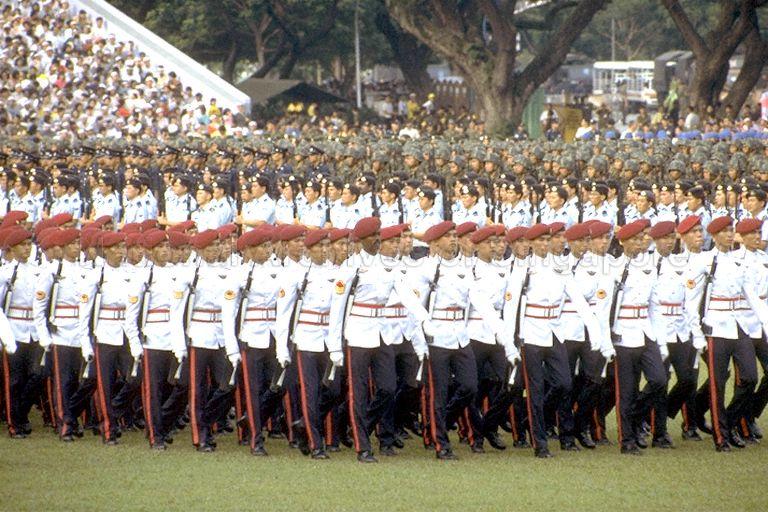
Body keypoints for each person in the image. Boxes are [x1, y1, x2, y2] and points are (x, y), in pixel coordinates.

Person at [396, 221, 516, 460]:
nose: (453, 239)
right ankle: (442, 445)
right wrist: (421, 333)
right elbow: (410, 300)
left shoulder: (463, 269)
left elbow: (481, 303)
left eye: (454, 235)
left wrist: (504, 339)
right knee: (438, 394)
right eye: (447, 236)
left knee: (469, 387)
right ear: (433, 242)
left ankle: (442, 420)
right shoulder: (425, 269)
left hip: (460, 336)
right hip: (437, 337)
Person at [171, 229, 240, 452]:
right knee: (198, 390)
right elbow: (177, 311)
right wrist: (179, 344)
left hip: (221, 334)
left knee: (228, 384)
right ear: (199, 250)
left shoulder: (229, 272)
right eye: (209, 246)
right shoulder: (189, 273)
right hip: (198, 334)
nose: (214, 250)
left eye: (217, 245)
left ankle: (205, 420)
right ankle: (200, 436)